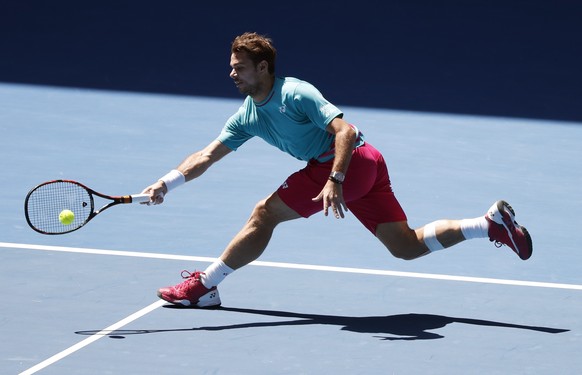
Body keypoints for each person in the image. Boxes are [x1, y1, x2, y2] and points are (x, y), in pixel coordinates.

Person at [142, 32, 532, 308]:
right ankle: (488, 225)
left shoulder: (295, 93)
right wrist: (167, 182)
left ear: (263, 68)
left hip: (346, 165)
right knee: (406, 246)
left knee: (264, 214)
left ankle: (205, 287)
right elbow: (206, 156)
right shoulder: (246, 117)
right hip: (367, 164)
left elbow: (344, 130)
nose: (232, 74)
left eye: (240, 68)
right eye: (231, 67)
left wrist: (335, 179)